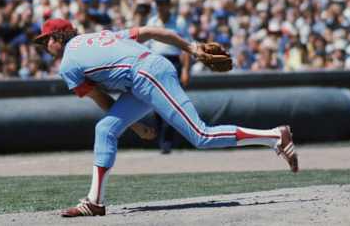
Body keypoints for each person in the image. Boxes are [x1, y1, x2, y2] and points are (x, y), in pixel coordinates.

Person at [34, 18, 299, 218]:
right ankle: (94, 201)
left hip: (147, 74)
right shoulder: (100, 35)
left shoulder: (68, 64)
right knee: (105, 129)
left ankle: (275, 136)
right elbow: (151, 31)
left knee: (202, 136)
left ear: (59, 36)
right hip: (144, 75)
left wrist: (136, 126)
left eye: (47, 39)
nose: (45, 45)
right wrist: (191, 47)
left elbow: (100, 98)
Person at [146, 0, 191, 154]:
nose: (160, 7)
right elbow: (148, 47)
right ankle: (162, 140)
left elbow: (185, 47)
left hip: (173, 62)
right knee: (156, 103)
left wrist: (185, 70)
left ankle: (167, 142)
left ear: (168, 6)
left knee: (172, 102)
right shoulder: (152, 21)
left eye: (162, 4)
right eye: (158, 4)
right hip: (155, 63)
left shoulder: (179, 22)